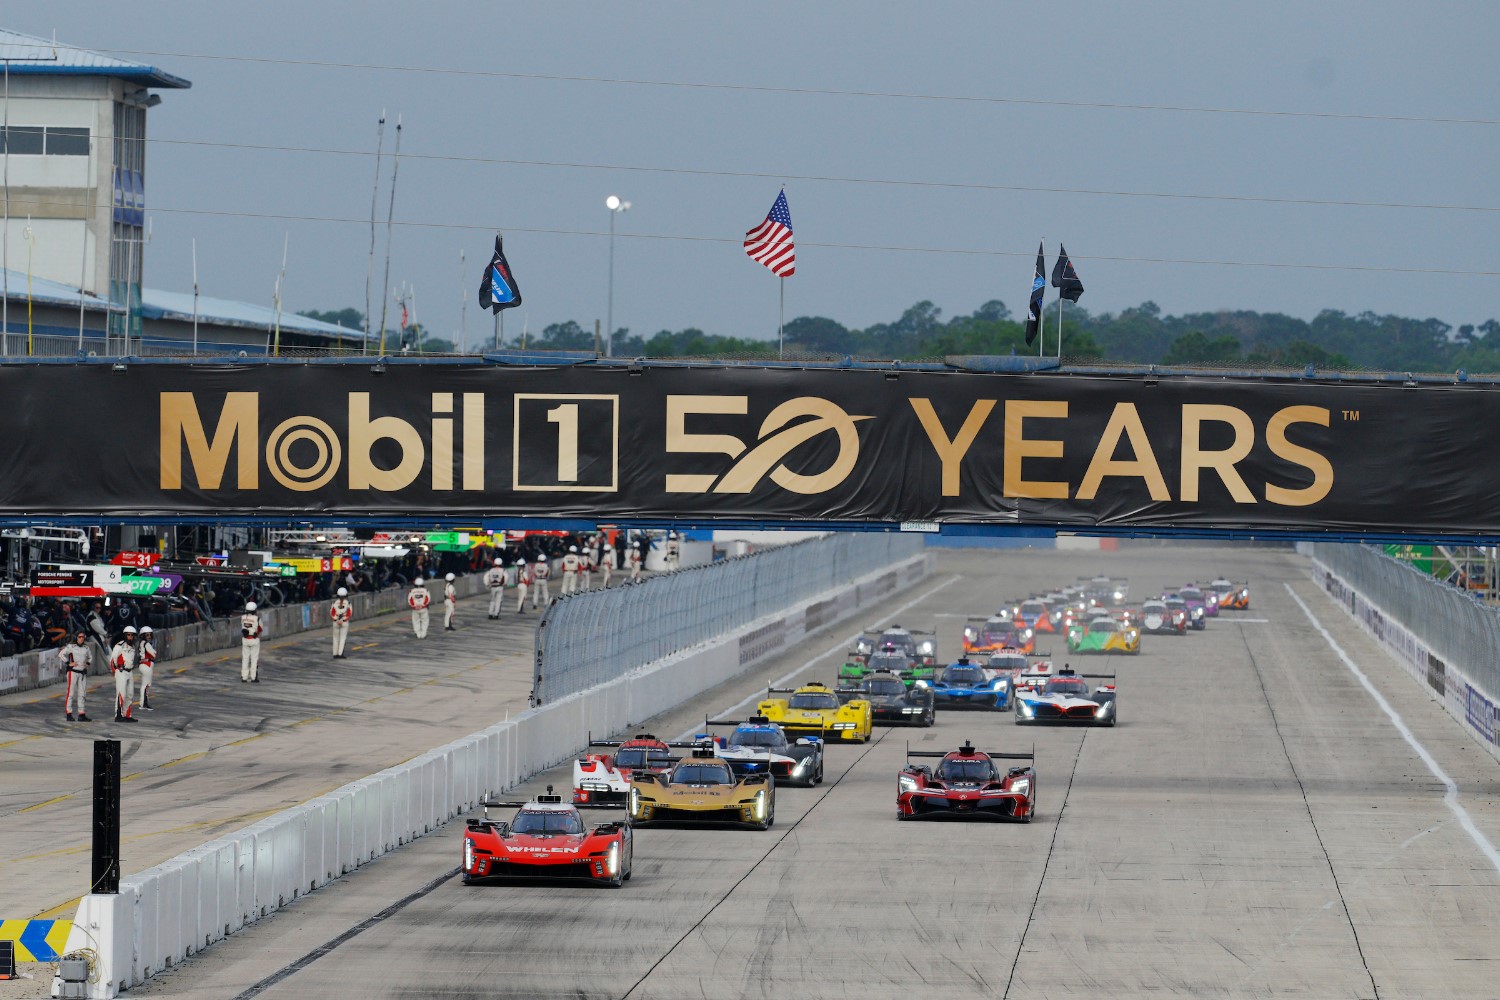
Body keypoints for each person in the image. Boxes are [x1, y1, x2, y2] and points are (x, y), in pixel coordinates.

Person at [61, 631, 93, 722]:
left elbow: (90, 657)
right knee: (70, 693)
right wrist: (68, 663)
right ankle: (68, 713)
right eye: (79, 637)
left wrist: (87, 663)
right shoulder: (71, 647)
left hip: (82, 673)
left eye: (83, 637)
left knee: (82, 694)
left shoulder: (86, 648)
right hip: (73, 672)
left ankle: (81, 714)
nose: (81, 638)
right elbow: (61, 654)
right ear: (76, 637)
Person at [111, 626, 139, 722]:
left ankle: (127, 715)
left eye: (132, 635)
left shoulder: (133, 647)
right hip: (121, 671)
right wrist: (115, 671)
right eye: (128, 635)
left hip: (130, 672)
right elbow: (112, 660)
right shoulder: (119, 646)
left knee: (130, 694)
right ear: (125, 635)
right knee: (121, 694)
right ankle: (118, 715)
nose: (130, 637)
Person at [240, 602, 264, 683]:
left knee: (245, 659)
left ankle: (244, 677)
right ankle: (253, 678)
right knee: (254, 659)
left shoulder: (243, 617)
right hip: (254, 639)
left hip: (245, 639)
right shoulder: (257, 618)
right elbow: (260, 629)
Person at [136, 625, 157, 710]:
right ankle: (143, 703)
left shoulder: (142, 643)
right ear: (143, 636)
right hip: (147, 664)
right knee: (146, 685)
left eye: (149, 635)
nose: (149, 637)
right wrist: (154, 651)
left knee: (146, 685)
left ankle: (144, 703)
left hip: (144, 664)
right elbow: (154, 654)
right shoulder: (146, 644)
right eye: (146, 635)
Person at [330, 587, 353, 658]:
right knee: (342, 638)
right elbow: (349, 613)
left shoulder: (334, 603)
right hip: (344, 622)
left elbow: (332, 613)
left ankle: (335, 653)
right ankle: (340, 653)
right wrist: (343, 620)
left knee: (335, 638)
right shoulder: (348, 603)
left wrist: (336, 619)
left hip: (335, 622)